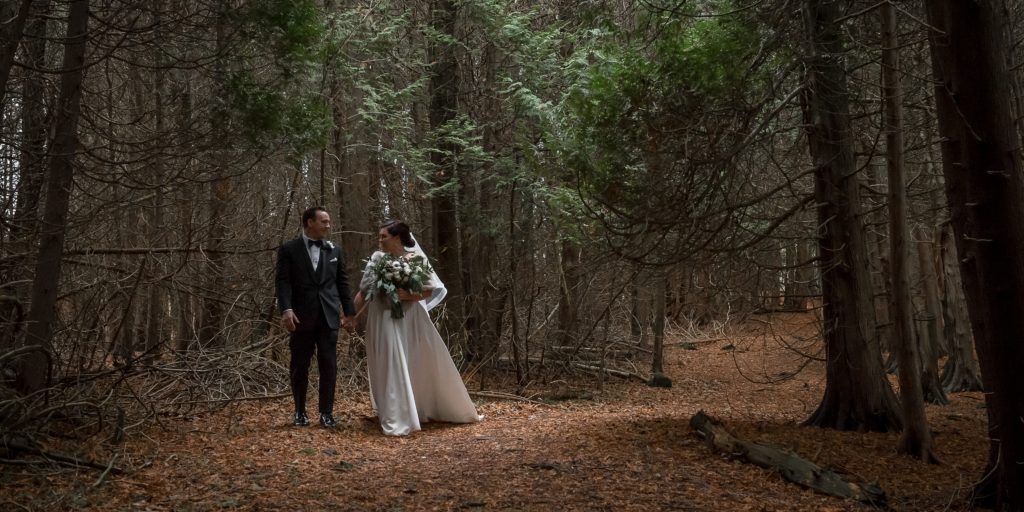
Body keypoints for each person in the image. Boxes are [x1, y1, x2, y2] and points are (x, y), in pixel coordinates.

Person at [355, 220, 482, 436]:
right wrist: (351, 316)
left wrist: (410, 296)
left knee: (409, 360)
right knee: (388, 361)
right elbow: (363, 292)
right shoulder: (377, 259)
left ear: (396, 237)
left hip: (408, 317)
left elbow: (428, 290)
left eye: (384, 236)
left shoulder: (415, 259)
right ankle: (393, 411)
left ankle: (411, 410)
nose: (380, 240)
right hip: (382, 318)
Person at [275, 206, 356, 428]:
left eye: (328, 222)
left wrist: (349, 313)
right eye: (324, 221)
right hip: (300, 317)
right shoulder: (289, 250)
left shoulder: (335, 250)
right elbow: (282, 282)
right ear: (309, 222)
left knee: (329, 365)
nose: (328, 225)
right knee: (299, 365)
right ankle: (300, 411)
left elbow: (343, 283)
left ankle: (326, 413)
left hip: (329, 317)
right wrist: (286, 309)